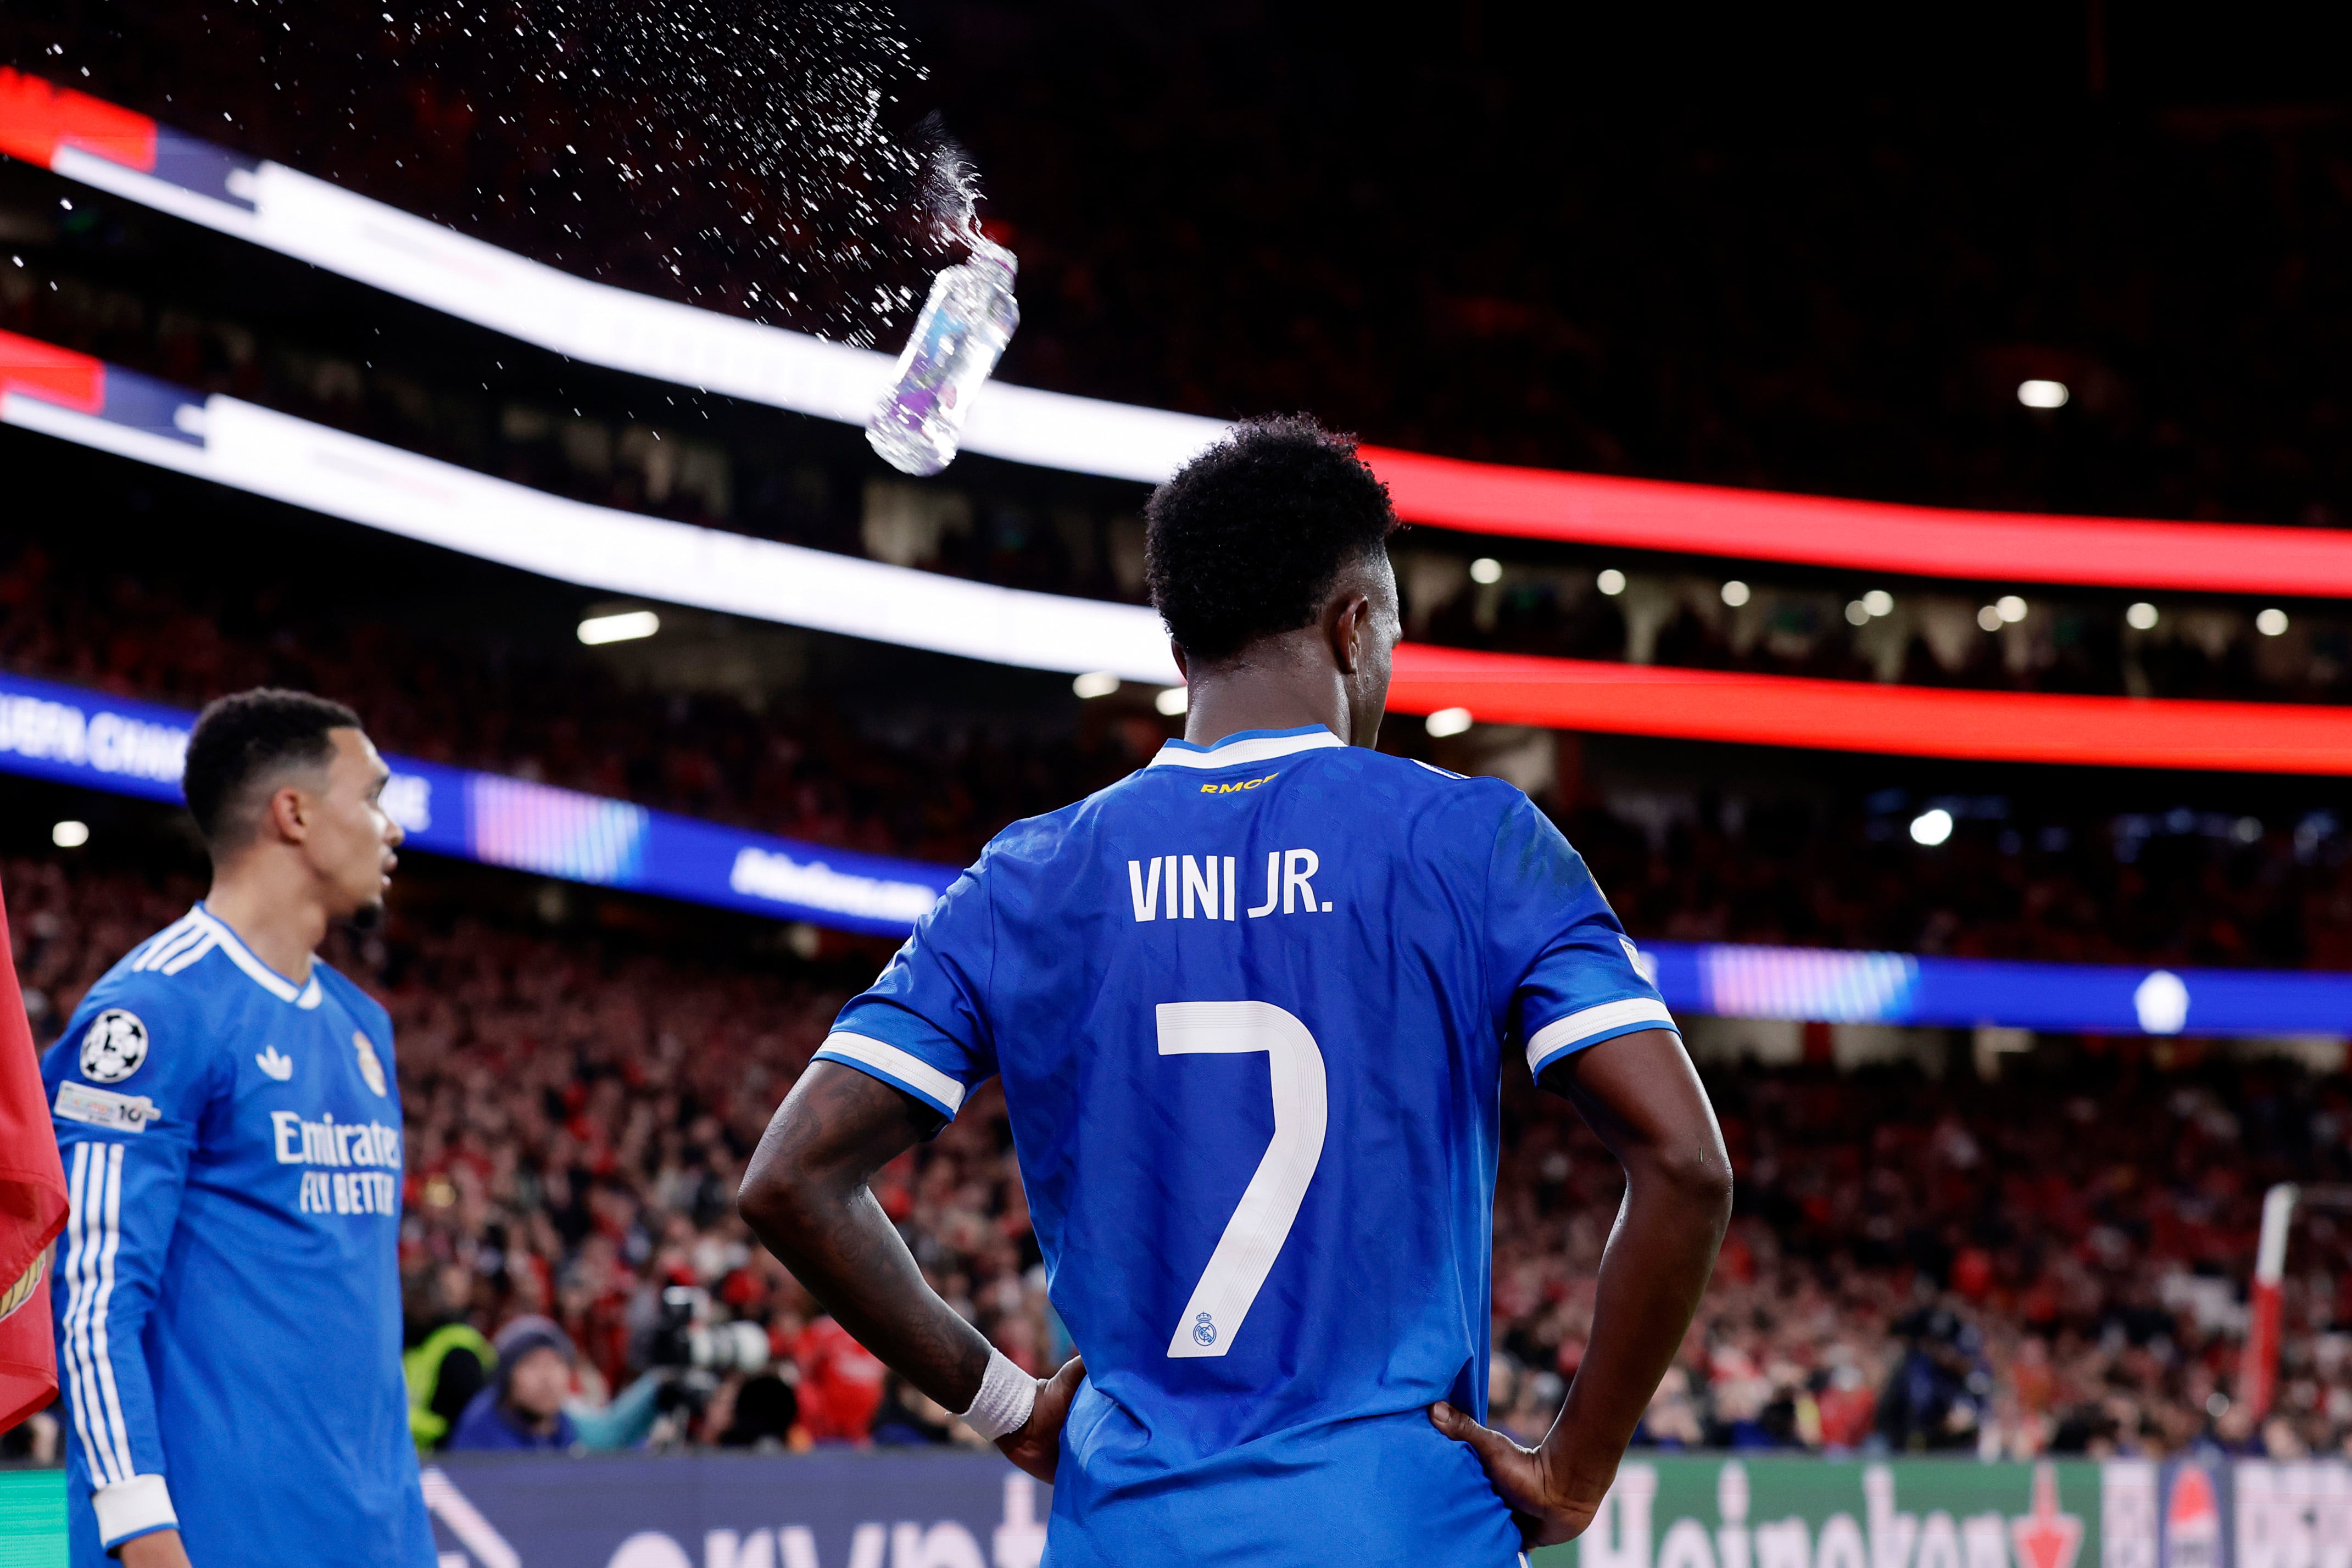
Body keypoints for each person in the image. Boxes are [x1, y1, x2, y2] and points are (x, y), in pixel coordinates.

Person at [738, 416, 1732, 1565]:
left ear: (1181, 650)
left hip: (1129, 1527)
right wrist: (1574, 1467)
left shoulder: (1028, 874)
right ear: (1355, 624)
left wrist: (1006, 1404)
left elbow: (791, 1177)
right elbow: (1685, 1160)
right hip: (1395, 1524)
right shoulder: (1473, 837)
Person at [42, 689, 428, 1567]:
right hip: (212, 1536)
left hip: (374, 1532)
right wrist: (139, 1527)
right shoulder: (152, 1009)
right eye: (371, 796)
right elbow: (94, 1296)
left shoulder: (363, 1026)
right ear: (292, 813)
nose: (390, 829)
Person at [445, 1315, 579, 1451]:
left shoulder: (565, 1425)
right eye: (533, 1365)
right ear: (506, 1377)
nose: (547, 1378)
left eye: (555, 1363)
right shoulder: (481, 1433)